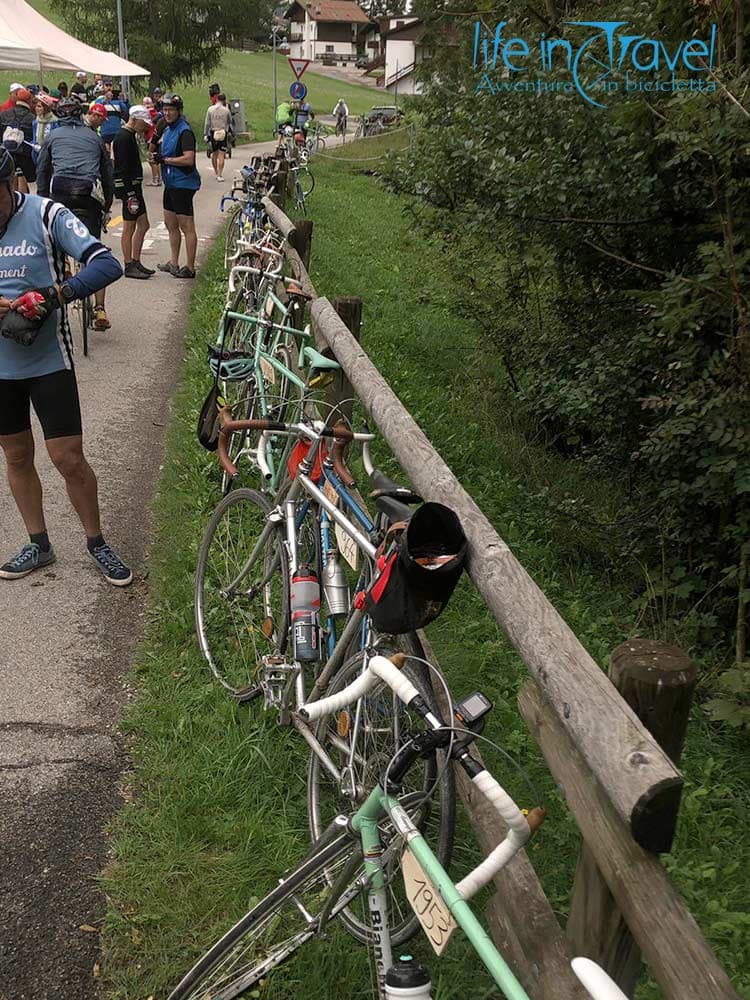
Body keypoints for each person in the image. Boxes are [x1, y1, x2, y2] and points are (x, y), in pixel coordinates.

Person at [0, 147, 131, 585]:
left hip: (47, 361)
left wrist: (54, 296)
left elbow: (107, 264)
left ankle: (97, 542)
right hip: (2, 369)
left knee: (68, 458)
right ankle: (39, 543)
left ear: (11, 186)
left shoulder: (45, 214)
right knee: (17, 455)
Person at [36, 98, 115, 332]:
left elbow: (42, 169)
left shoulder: (52, 136)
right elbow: (107, 175)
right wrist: (107, 205)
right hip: (88, 193)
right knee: (95, 250)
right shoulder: (94, 137)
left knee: (56, 238)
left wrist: (42, 201)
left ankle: (65, 265)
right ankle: (100, 309)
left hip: (60, 189)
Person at [152, 94, 200, 279]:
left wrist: (165, 160)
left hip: (183, 183)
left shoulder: (184, 131)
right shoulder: (167, 128)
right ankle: (173, 262)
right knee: (170, 223)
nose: (167, 113)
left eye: (171, 110)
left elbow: (189, 159)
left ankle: (189, 266)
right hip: (170, 182)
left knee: (186, 226)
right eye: (165, 110)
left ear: (179, 111)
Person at [113, 106, 154, 280]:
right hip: (128, 188)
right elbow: (121, 167)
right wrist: (128, 193)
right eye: (144, 123)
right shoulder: (123, 138)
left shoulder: (130, 136)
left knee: (143, 225)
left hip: (135, 186)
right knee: (129, 226)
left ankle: (136, 260)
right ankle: (128, 263)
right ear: (135, 119)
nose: (145, 127)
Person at [1, 88, 36, 193]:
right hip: (26, 156)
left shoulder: (4, 114)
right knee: (31, 184)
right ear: (29, 101)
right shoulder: (32, 118)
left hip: (6, 154)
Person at [203, 92, 232, 181]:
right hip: (223, 132)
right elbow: (229, 121)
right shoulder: (226, 110)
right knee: (221, 154)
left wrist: (205, 133)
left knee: (214, 154)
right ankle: (220, 174)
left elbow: (207, 123)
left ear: (216, 99)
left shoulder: (210, 109)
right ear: (224, 100)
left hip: (213, 132)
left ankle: (216, 171)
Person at [100, 87, 129, 153]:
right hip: (116, 131)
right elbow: (125, 109)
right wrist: (122, 100)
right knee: (116, 150)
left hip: (105, 132)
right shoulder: (118, 103)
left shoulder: (101, 103)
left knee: (107, 150)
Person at [142, 97, 162, 186]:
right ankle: (159, 179)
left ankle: (155, 179)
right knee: (156, 158)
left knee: (152, 159)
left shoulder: (144, 114)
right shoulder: (156, 113)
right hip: (156, 137)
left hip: (150, 138)